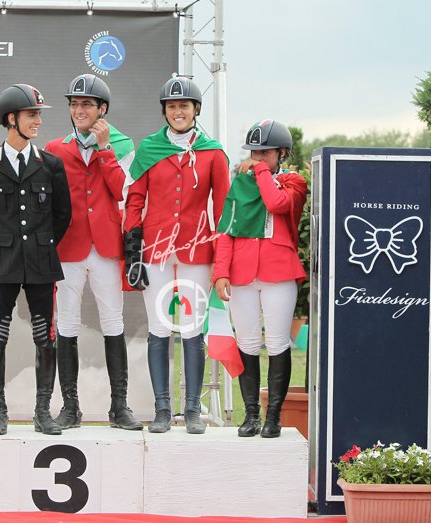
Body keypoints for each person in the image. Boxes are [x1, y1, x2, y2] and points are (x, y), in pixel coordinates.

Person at [124, 76, 230, 434]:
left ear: (195, 109)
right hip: (155, 251)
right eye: (172, 106)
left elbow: (223, 210)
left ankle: (193, 409)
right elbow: (135, 201)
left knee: (192, 329)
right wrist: (133, 252)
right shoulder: (149, 148)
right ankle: (162, 410)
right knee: (158, 329)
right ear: (165, 111)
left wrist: (221, 261)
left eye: (184, 105)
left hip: (196, 251)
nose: (178, 112)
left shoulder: (213, 153)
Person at [0, 83, 71, 436]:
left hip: (42, 262)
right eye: (32, 114)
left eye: (39, 114)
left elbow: (62, 215)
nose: (38, 121)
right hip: (2, 262)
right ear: (11, 118)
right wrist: (8, 243)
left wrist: (40, 245)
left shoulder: (51, 165)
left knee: (45, 336)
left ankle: (42, 412)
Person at [45, 74, 142, 431]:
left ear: (102, 109)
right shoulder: (55, 148)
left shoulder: (123, 144)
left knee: (113, 322)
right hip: (68, 245)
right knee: (66, 324)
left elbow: (123, 192)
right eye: (74, 104)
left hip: (105, 246)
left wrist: (104, 150)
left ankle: (119, 406)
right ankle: (70, 407)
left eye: (86, 104)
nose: (79, 110)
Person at [213, 120, 307, 438]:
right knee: (248, 344)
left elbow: (276, 203)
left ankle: (274, 417)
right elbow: (226, 229)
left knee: (278, 343)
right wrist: (221, 272)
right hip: (241, 273)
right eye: (254, 151)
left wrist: (261, 171)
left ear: (282, 153)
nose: (257, 157)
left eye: (265, 152)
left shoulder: (294, 182)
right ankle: (251, 415)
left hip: (279, 271)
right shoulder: (240, 183)